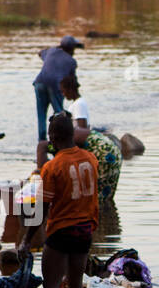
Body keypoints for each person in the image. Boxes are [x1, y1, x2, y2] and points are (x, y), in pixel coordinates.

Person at [19, 112, 99, 288]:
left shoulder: (52, 167)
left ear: (53, 138)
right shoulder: (91, 159)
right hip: (85, 229)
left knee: (52, 287)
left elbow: (42, 209)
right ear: (73, 134)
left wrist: (26, 239)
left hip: (61, 230)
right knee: (76, 287)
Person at [50, 74, 121, 207]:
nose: (63, 94)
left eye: (63, 91)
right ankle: (106, 217)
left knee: (96, 198)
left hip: (103, 153)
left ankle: (102, 219)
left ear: (70, 89)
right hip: (107, 151)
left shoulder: (79, 104)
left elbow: (82, 126)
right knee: (102, 197)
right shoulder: (78, 104)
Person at [34, 35, 81, 142]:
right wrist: (77, 98)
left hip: (39, 83)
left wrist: (56, 49)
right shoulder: (72, 62)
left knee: (41, 115)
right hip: (55, 86)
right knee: (60, 114)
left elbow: (40, 53)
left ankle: (42, 141)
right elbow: (72, 81)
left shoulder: (50, 51)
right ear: (72, 49)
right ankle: (63, 140)